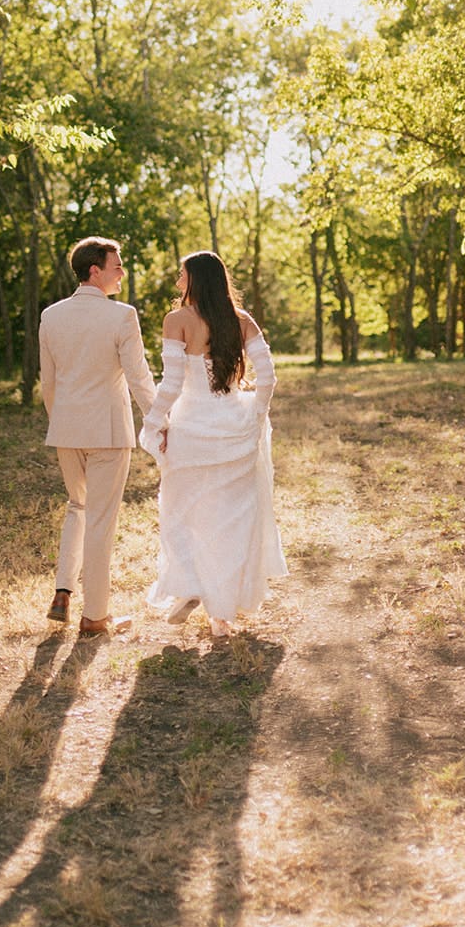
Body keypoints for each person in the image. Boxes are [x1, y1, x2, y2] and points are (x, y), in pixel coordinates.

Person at [139, 250, 287, 639]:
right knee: (232, 522)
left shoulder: (177, 321)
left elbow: (171, 384)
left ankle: (189, 586)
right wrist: (254, 414)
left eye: (182, 275)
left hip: (191, 428)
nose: (177, 282)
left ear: (196, 280)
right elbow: (268, 377)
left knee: (182, 513)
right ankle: (220, 615)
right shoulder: (241, 321)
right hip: (234, 428)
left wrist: (153, 424)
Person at [39, 236, 156, 637]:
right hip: (107, 431)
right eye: (117, 265)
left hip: (67, 431)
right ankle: (95, 616)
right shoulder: (122, 316)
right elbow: (139, 376)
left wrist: (63, 422)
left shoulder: (50, 315)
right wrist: (159, 420)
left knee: (78, 507)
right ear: (95, 270)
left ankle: (62, 593)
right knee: (101, 522)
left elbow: (48, 383)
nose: (122, 271)